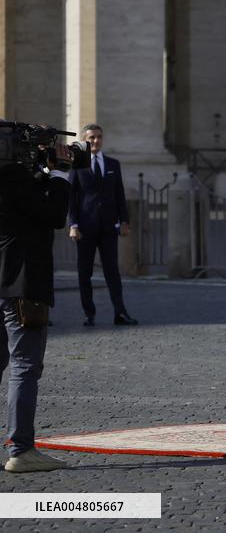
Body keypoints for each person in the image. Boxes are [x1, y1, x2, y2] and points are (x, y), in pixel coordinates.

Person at [0, 138, 73, 472]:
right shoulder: (11, 176)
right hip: (21, 286)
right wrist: (60, 175)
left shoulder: (14, 179)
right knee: (25, 366)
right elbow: (53, 215)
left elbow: (26, 207)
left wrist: (42, 172)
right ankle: (22, 449)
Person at [68, 124, 138, 327]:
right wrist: (73, 224)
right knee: (85, 272)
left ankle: (120, 312)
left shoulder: (113, 164)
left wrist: (124, 220)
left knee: (112, 272)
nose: (95, 141)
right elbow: (71, 197)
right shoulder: (78, 165)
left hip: (108, 227)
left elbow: (119, 194)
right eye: (91, 138)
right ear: (84, 141)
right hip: (85, 227)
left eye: (98, 137)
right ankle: (88, 313)